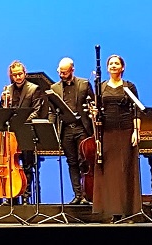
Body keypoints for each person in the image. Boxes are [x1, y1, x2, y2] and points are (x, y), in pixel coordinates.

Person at [92, 55, 142, 223]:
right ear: (107, 68)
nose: (113, 66)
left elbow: (137, 110)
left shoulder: (129, 86)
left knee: (126, 171)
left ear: (122, 67)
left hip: (126, 131)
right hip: (107, 132)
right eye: (111, 64)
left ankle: (129, 212)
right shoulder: (101, 87)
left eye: (116, 63)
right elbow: (97, 110)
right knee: (111, 174)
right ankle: (114, 212)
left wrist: (136, 130)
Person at [47, 57, 95, 205]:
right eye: (60, 72)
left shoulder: (84, 84)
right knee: (72, 162)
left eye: (65, 72)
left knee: (84, 162)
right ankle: (77, 194)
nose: (61, 75)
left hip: (82, 128)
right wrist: (50, 128)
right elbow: (52, 111)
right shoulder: (54, 88)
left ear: (72, 70)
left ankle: (88, 195)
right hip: (66, 130)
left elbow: (93, 104)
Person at [0, 60, 43, 205]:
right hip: (11, 134)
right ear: (11, 75)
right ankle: (11, 196)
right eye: (15, 74)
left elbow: (37, 111)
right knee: (11, 165)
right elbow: (2, 112)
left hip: (25, 131)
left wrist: (22, 122)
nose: (18, 77)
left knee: (27, 166)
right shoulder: (7, 90)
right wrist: (2, 101)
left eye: (20, 74)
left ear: (24, 73)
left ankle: (26, 195)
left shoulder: (33, 89)